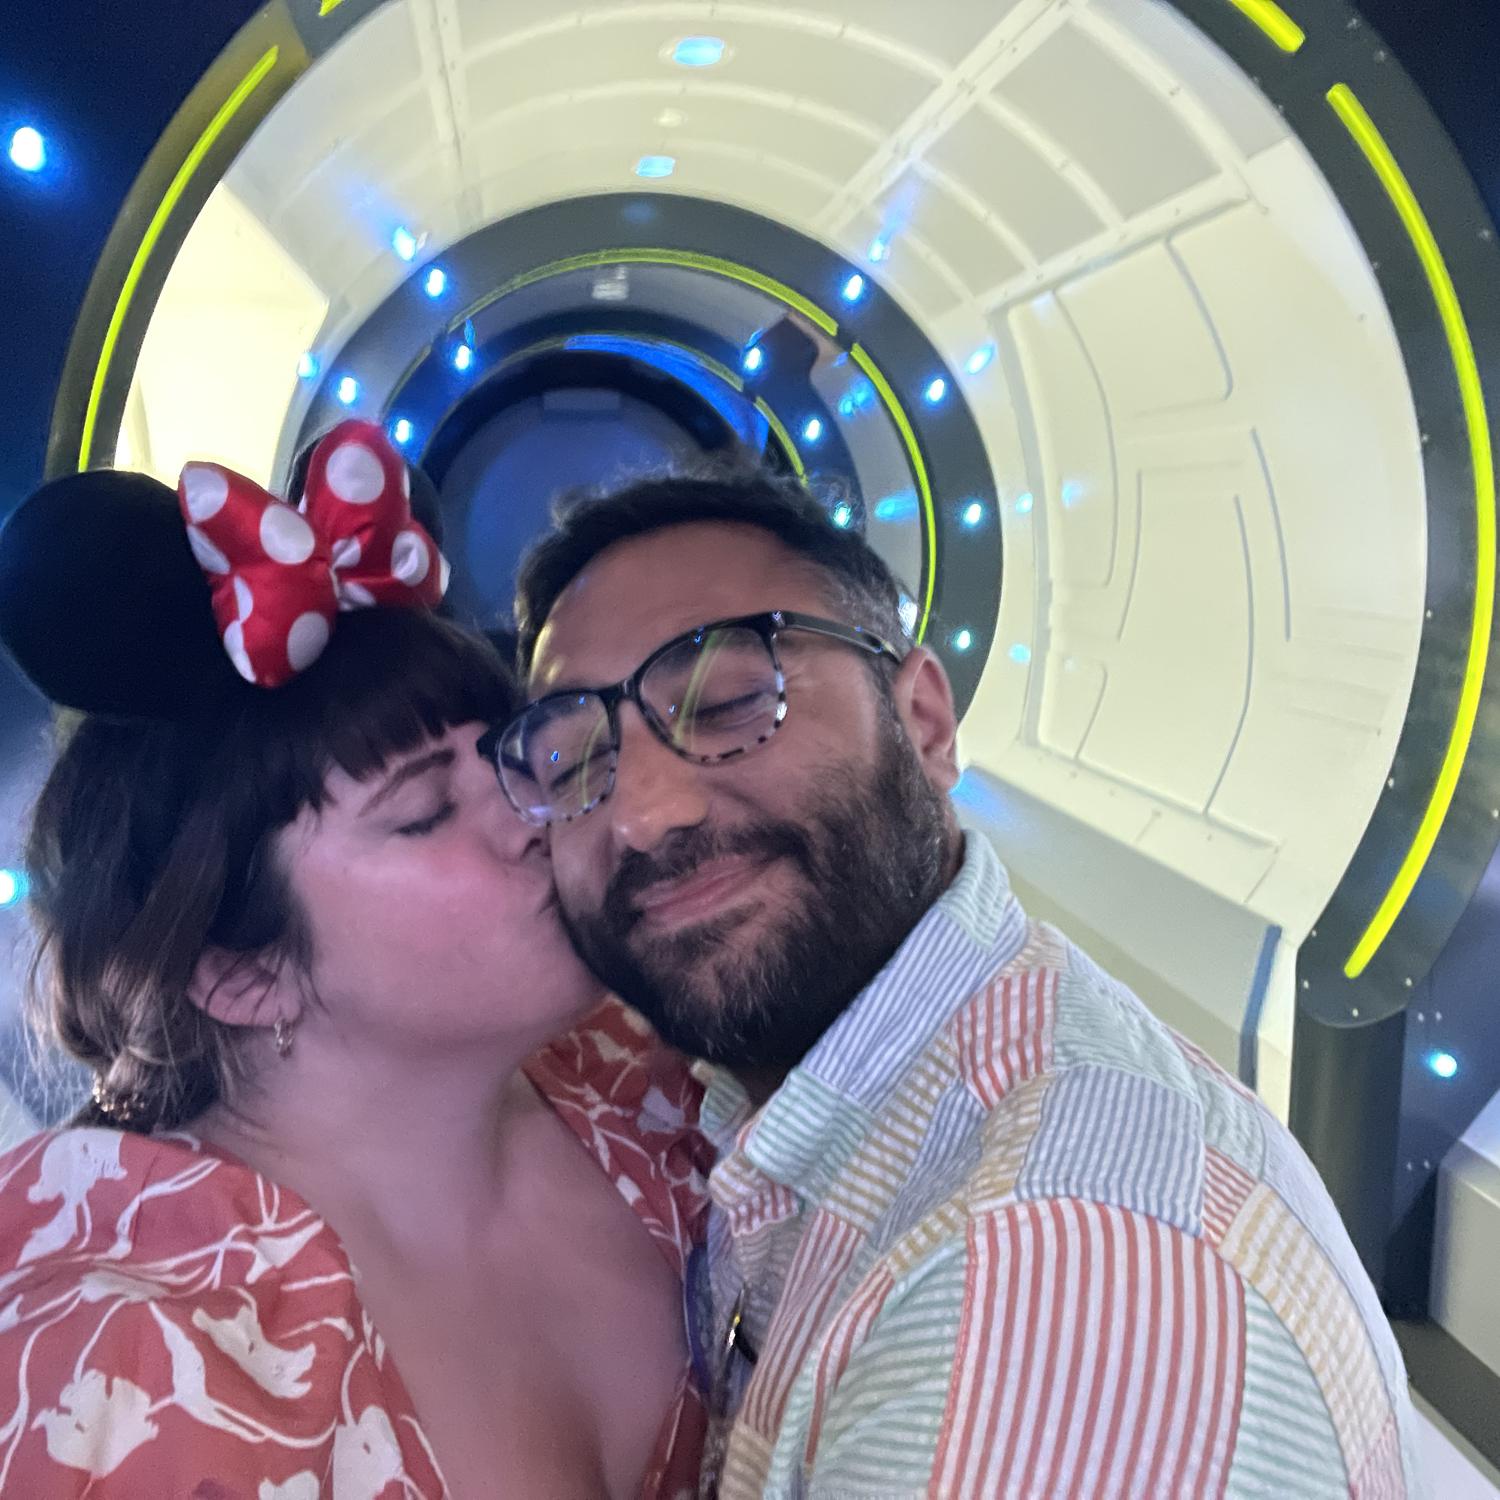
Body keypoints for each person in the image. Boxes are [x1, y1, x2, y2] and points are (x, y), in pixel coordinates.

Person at [497, 466, 1423, 1498]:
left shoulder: (1043, 1283)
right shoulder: (778, 1098)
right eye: (574, 764)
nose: (640, 813)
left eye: (726, 702)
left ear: (925, 721)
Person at [0, 423, 711, 1499]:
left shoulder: (644, 1070)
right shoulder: (122, 1373)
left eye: (510, 756)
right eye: (423, 813)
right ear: (241, 974)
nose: (536, 812)